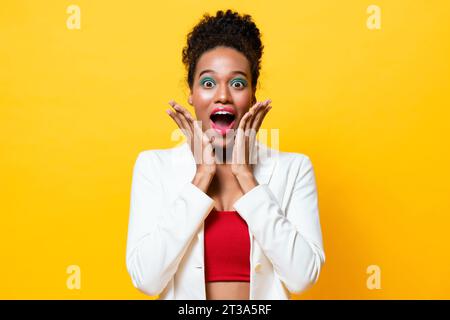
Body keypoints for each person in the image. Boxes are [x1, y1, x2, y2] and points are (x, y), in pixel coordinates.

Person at [125, 9, 325, 300]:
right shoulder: (154, 167)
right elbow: (147, 279)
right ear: (191, 94)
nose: (222, 95)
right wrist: (202, 176)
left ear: (253, 94)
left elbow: (302, 278)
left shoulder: (294, 169)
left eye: (237, 83)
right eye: (208, 83)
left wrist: (246, 176)